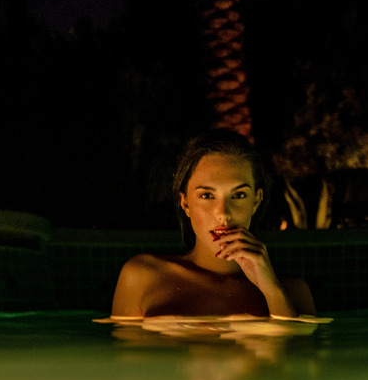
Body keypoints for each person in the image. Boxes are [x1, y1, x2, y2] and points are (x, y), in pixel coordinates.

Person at [111, 129, 316, 318]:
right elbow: (120, 346)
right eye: (207, 195)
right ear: (185, 203)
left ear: (256, 201)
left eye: (239, 195)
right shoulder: (142, 277)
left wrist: (271, 290)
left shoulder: (292, 293)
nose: (223, 214)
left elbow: (294, 347)